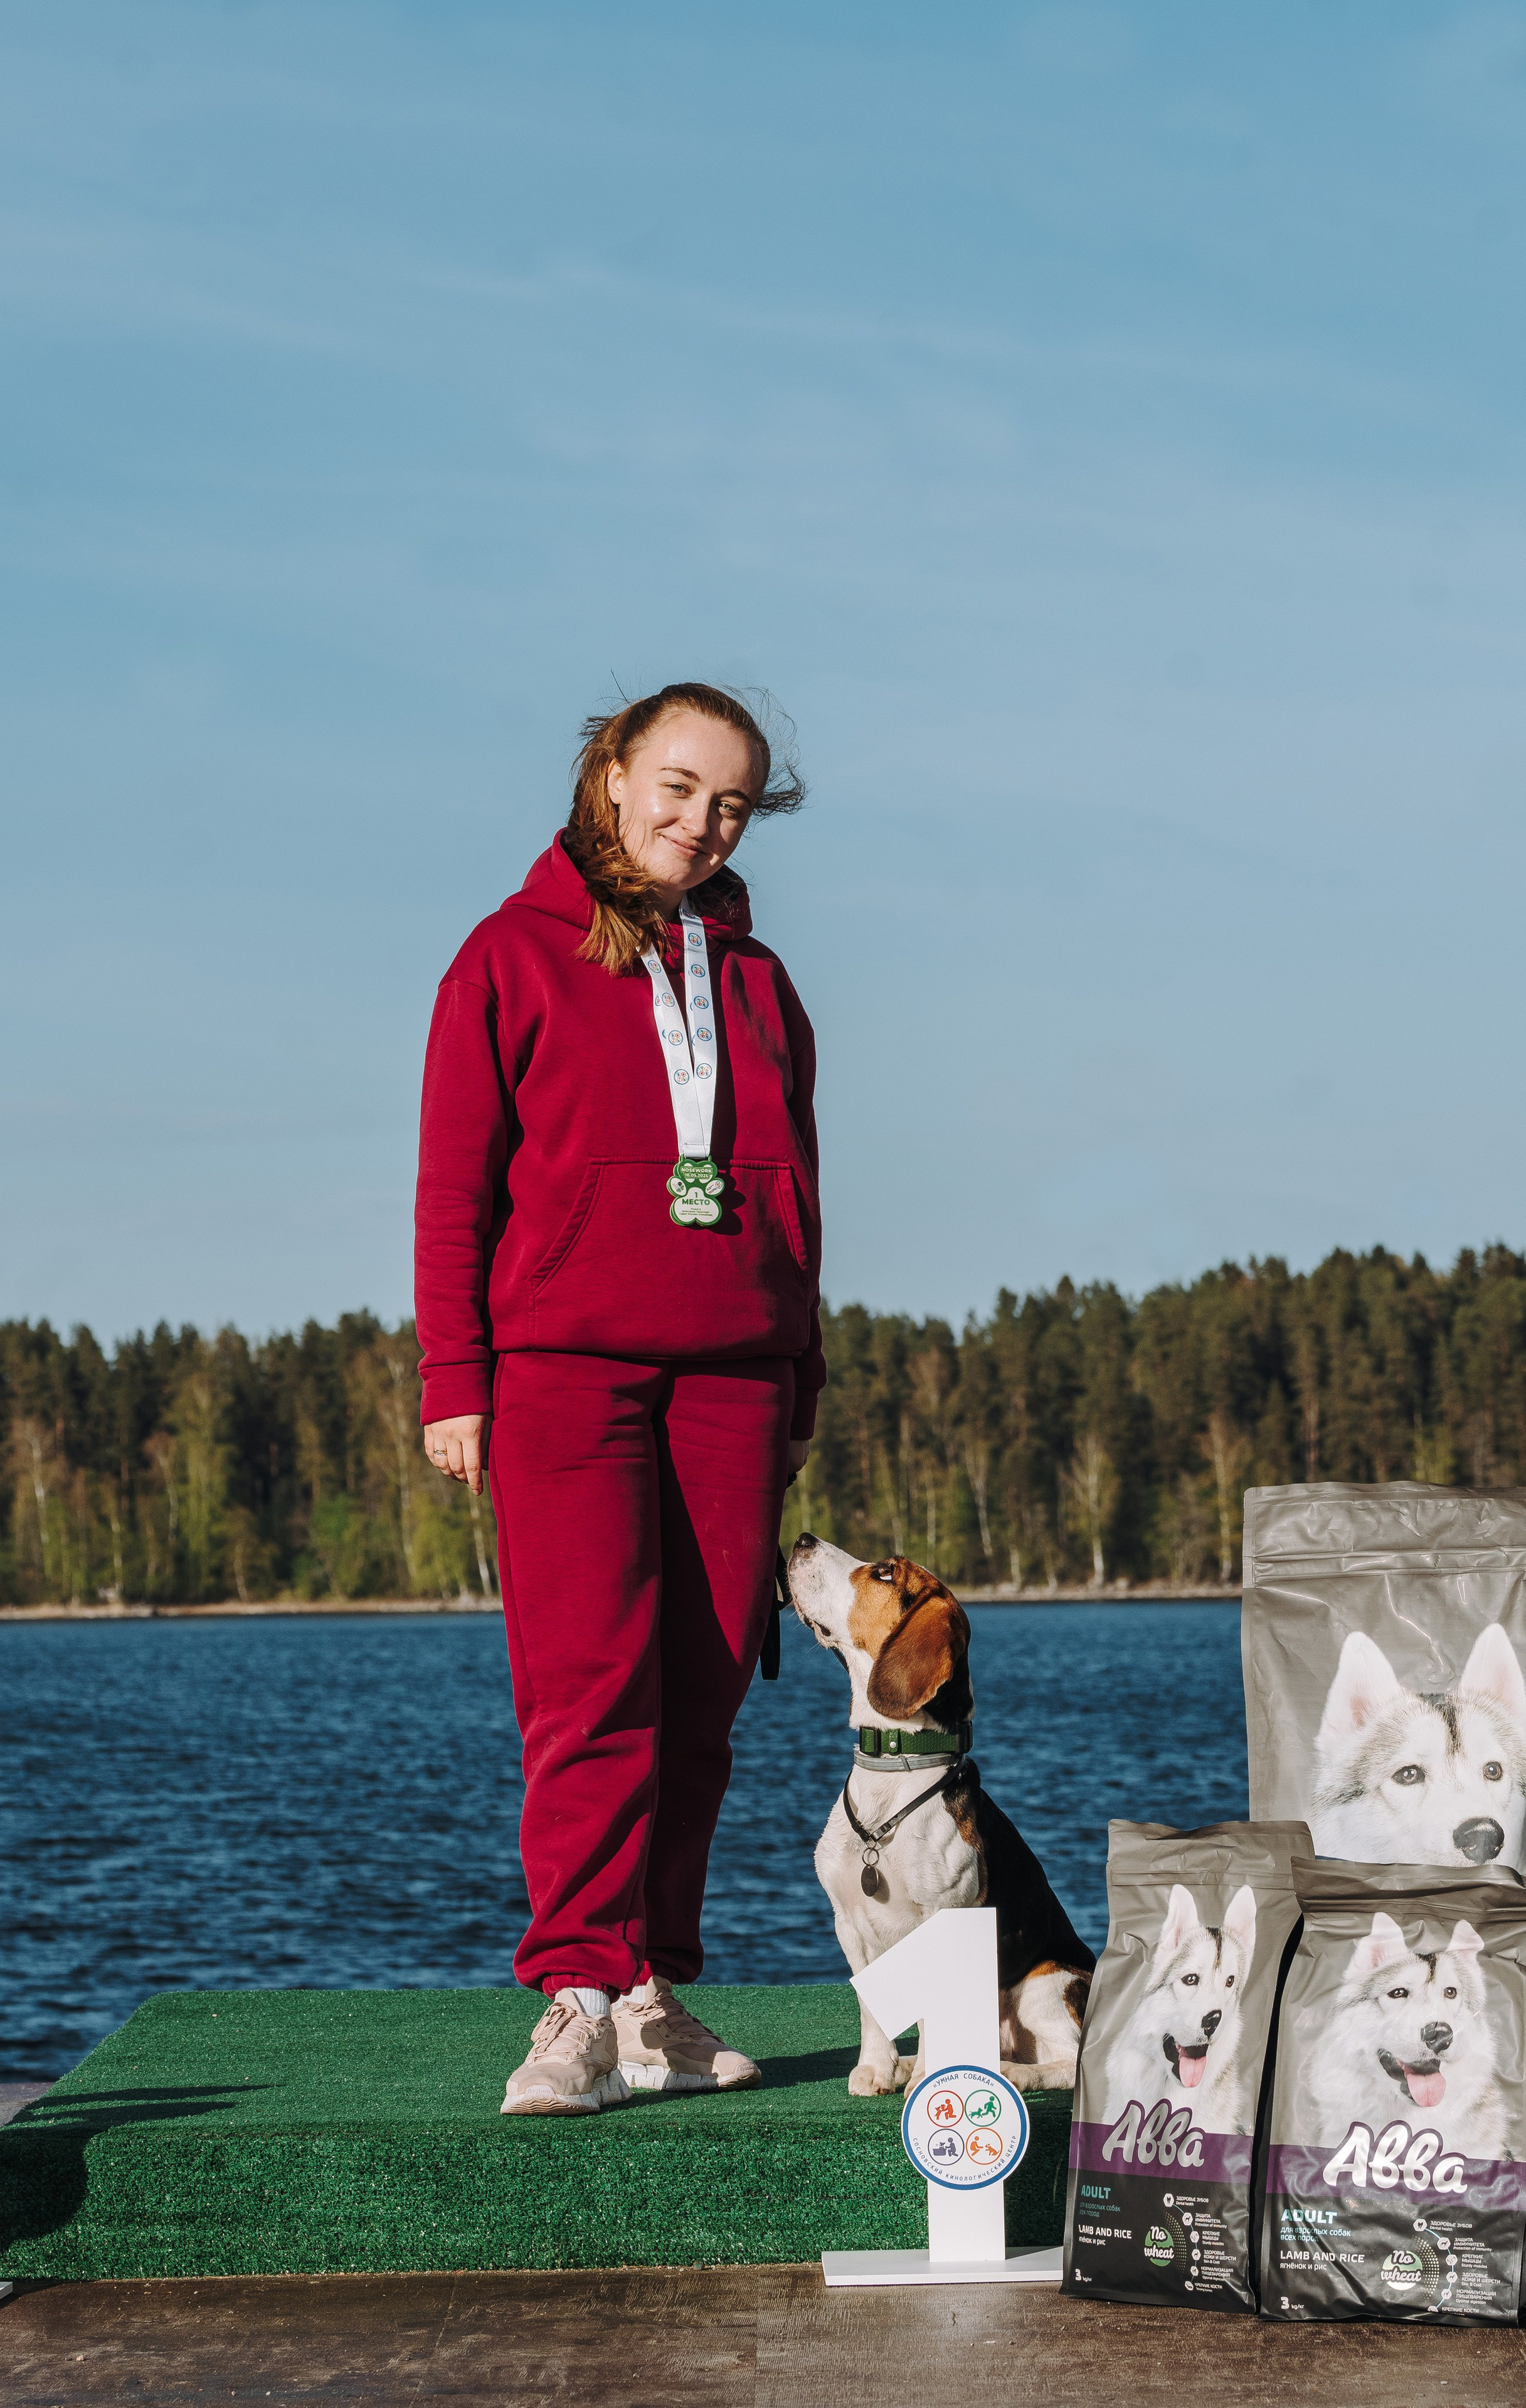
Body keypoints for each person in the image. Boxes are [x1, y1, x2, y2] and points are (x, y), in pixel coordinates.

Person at [414, 681, 823, 2114]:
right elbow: (455, 1185)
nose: (697, 821)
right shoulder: (506, 956)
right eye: (676, 785)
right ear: (609, 774)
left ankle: (653, 1989)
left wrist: (800, 1373)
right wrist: (452, 1378)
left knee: (701, 1694)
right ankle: (575, 1996)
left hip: (735, 1374)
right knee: (589, 1686)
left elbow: (796, 1194)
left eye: (727, 802)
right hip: (561, 1372)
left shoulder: (760, 979)